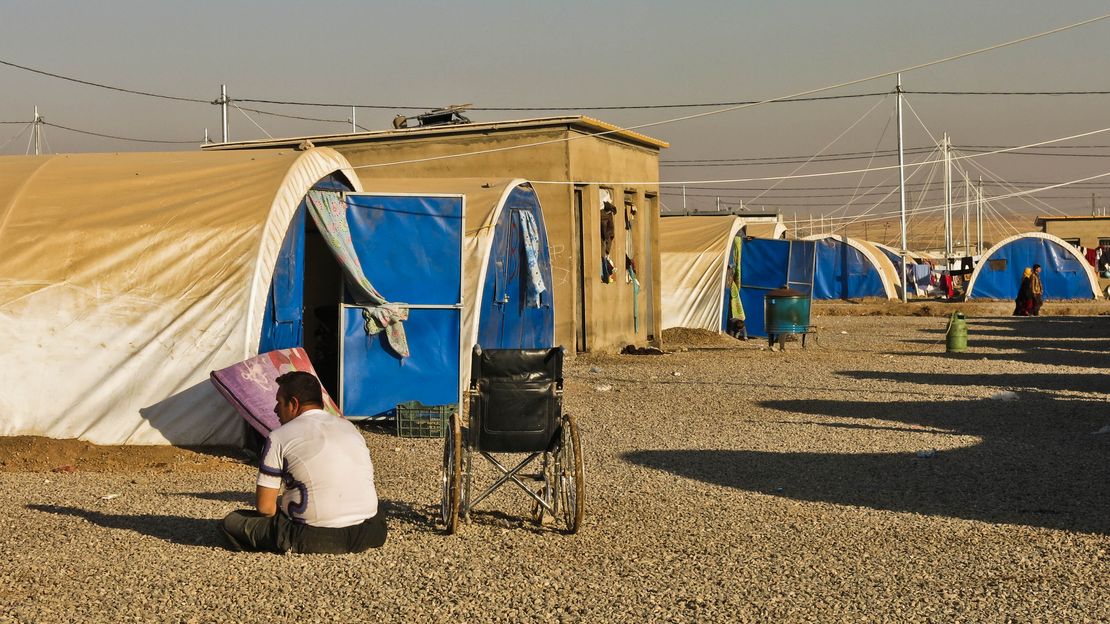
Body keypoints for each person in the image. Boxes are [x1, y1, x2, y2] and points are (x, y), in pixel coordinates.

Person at [219, 371, 387, 554]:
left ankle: (282, 545)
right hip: (371, 531)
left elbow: (265, 508)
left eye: (279, 402)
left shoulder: (278, 437)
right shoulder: (349, 427)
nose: (276, 409)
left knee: (232, 522)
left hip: (313, 536)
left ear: (293, 404)